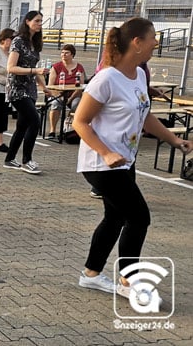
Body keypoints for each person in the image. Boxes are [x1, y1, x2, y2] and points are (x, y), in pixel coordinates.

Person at [72, 17, 192, 299]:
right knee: (139, 217)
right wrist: (105, 152)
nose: (156, 43)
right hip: (102, 164)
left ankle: (91, 274)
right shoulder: (106, 78)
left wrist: (173, 139)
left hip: (125, 160)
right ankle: (130, 283)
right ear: (136, 42)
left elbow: (144, 114)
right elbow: (80, 122)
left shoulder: (137, 74)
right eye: (153, 38)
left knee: (115, 218)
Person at [3, 10, 49, 174]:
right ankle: (27, 160)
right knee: (34, 121)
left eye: (41, 21)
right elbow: (11, 68)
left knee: (22, 125)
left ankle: (9, 159)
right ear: (28, 21)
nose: (39, 24)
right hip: (17, 89)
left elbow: (35, 70)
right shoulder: (18, 41)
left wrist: (43, 86)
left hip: (30, 89)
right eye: (36, 21)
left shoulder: (34, 43)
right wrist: (34, 71)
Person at [46, 44, 86, 138]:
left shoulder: (79, 67)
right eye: (62, 52)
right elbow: (51, 85)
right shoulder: (56, 67)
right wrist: (60, 96)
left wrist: (70, 99)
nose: (64, 54)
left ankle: (67, 128)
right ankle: (52, 130)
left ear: (72, 55)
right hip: (58, 93)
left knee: (76, 105)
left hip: (74, 94)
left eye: (67, 53)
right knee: (55, 103)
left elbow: (81, 86)